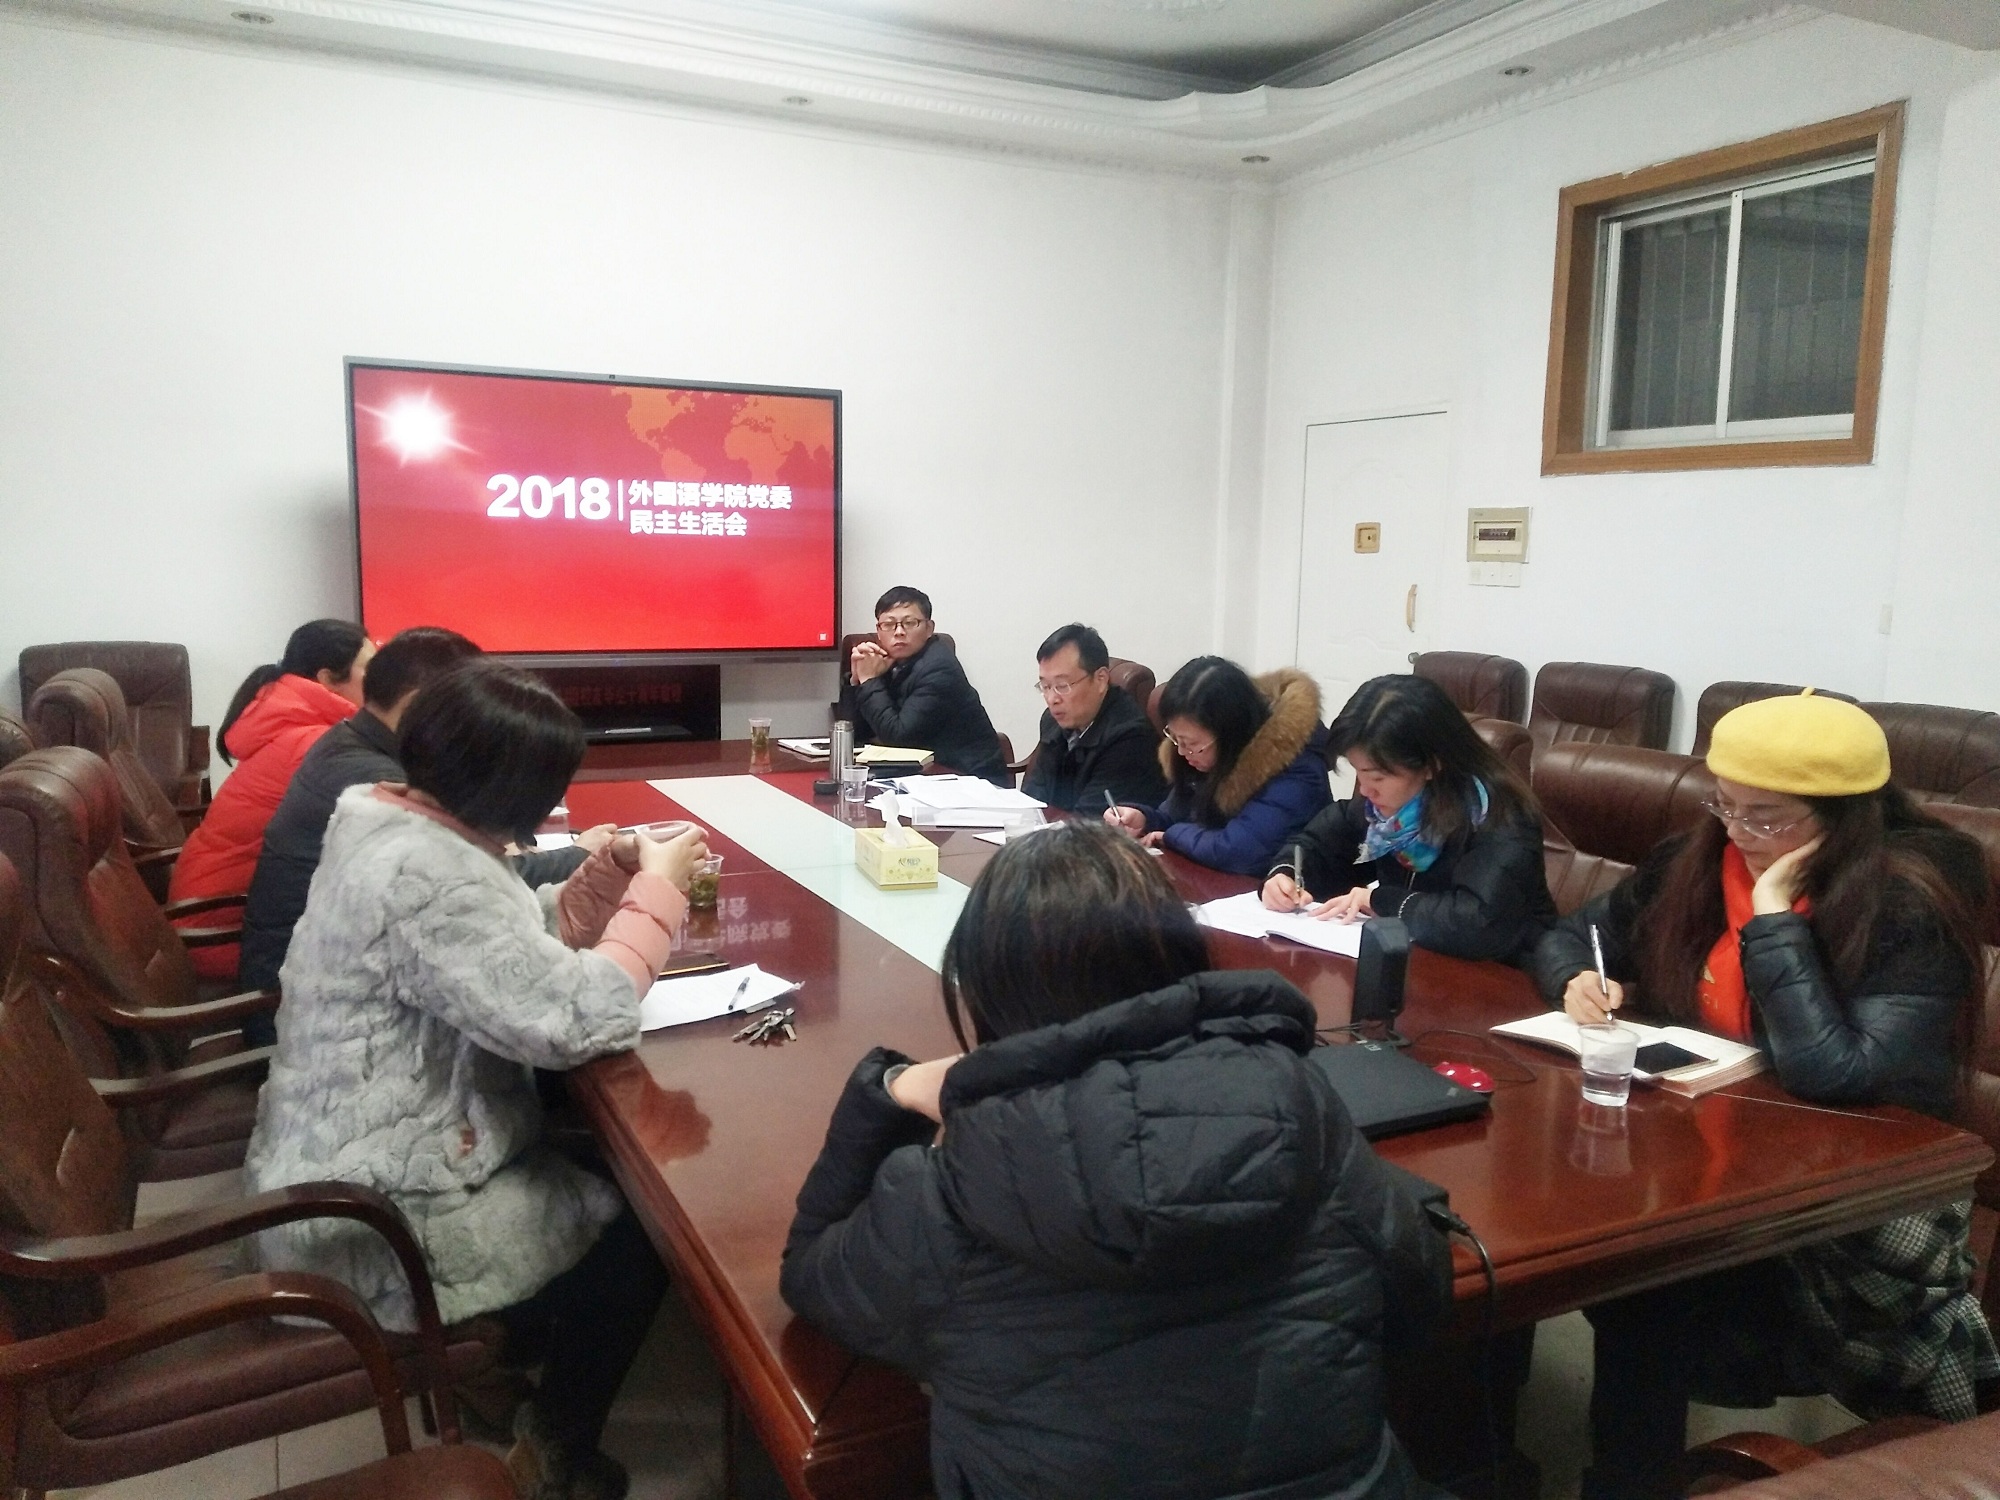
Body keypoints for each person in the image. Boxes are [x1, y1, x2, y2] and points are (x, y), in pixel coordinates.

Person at [781, 821, 1454, 1500]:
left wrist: (893, 1091)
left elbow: (811, 1275)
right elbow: (1419, 1295)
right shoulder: (1301, 1108)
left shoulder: (945, 1193)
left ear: (988, 993)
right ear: (1179, 960)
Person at [243, 660, 705, 1500]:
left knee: (605, 1164)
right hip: (379, 1218)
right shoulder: (428, 875)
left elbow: (509, 942)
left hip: (342, 1158)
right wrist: (658, 898)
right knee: (647, 1223)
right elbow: (577, 1018)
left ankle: (501, 1372)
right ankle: (556, 1447)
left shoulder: (393, 822)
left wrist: (610, 873)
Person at [1531, 690, 1999, 1500]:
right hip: (1717, 1148)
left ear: (1846, 816)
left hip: (1859, 1202)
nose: (1740, 833)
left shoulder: (1911, 893)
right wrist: (1576, 974)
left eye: (1767, 817)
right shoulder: (1699, 857)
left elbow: (1837, 1071)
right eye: (1726, 806)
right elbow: (1574, 933)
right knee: (1624, 1271)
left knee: (1647, 1292)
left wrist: (1775, 919)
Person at [236, 627, 593, 1010]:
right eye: (469, 708)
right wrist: (582, 854)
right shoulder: (375, 779)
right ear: (420, 704)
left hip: (330, 980)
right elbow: (468, 878)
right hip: (301, 1004)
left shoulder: (351, 740)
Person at [1261, 674, 1557, 964]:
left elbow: (1479, 923)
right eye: (1358, 771)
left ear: (1431, 765)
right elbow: (1318, 844)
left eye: (1377, 776)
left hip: (1506, 974)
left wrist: (1380, 901)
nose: (1364, 789)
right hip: (1422, 963)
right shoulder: (1385, 813)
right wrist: (1285, 875)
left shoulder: (1500, 816)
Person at [167, 619, 373, 979]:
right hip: (224, 935)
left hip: (209, 913)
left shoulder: (289, 724)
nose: (383, 680)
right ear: (327, 679)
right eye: (370, 668)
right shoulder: (313, 743)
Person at [1104, 656, 1331, 875]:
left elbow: (1238, 851)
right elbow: (1175, 815)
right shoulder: (1205, 758)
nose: (1182, 751)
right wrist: (1144, 819)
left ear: (1230, 732)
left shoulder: (1297, 769)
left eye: (1192, 744)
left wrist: (1171, 835)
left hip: (1287, 893)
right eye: (1175, 738)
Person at [844, 586, 1007, 785]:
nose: (899, 632)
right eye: (889, 624)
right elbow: (852, 733)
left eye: (909, 623)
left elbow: (898, 738)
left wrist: (869, 681)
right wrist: (856, 680)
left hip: (970, 780)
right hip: (925, 776)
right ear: (878, 631)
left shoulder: (939, 668)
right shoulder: (886, 661)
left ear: (929, 628)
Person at [1019, 623, 1167, 812]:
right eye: (1045, 686)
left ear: (1100, 679)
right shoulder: (1053, 720)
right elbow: (1033, 797)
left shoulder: (1130, 738)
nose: (1052, 699)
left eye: (1062, 686)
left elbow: (1091, 818)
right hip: (1056, 827)